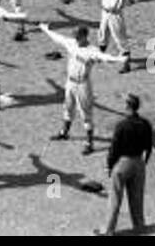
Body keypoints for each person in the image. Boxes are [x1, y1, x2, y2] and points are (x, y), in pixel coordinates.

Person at [40, 23, 127, 153]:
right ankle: (64, 132)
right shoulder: (72, 43)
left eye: (78, 36)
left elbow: (105, 58)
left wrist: (119, 59)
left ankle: (89, 143)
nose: (75, 39)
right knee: (68, 107)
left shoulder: (92, 50)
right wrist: (45, 29)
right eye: (75, 36)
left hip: (83, 84)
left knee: (86, 113)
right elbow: (58, 38)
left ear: (84, 36)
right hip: (70, 82)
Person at [97, 93, 152, 236]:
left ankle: (108, 230)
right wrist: (143, 163)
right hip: (139, 163)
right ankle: (139, 228)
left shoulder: (122, 125)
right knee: (137, 198)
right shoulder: (145, 124)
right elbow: (149, 147)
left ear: (127, 106)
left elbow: (114, 148)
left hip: (123, 163)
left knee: (115, 198)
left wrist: (109, 165)